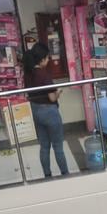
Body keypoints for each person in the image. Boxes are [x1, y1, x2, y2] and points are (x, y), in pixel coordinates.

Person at [25, 43, 69, 178]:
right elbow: (51, 97)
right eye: (47, 58)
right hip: (49, 112)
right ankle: (65, 174)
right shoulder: (44, 74)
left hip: (35, 111)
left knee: (44, 147)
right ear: (42, 59)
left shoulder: (28, 73)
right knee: (58, 147)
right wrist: (59, 92)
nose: (49, 60)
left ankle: (47, 175)